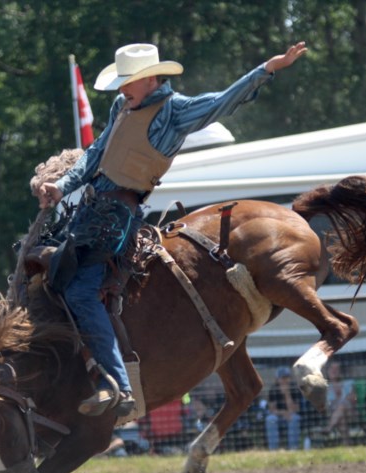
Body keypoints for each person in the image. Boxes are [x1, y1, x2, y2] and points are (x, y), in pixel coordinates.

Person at [38, 41, 308, 418]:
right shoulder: (121, 108)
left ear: (150, 80)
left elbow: (221, 102)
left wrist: (267, 69)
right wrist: (61, 186)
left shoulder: (174, 112)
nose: (120, 89)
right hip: (89, 212)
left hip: (117, 218)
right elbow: (95, 155)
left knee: (82, 292)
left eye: (127, 81)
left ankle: (115, 383)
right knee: (45, 273)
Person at [265, 367, 303, 450]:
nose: (285, 380)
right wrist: (283, 413)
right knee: (270, 419)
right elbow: (272, 410)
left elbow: (295, 409)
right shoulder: (273, 389)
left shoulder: (295, 389)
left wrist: (287, 394)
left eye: (287, 378)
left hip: (291, 415)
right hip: (278, 416)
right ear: (278, 379)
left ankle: (293, 449)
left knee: (295, 418)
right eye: (283, 378)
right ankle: (273, 450)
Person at [324, 361, 357, 446]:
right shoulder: (326, 387)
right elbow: (325, 404)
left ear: (341, 372)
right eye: (332, 369)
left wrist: (340, 399)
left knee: (342, 406)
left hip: (350, 412)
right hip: (333, 414)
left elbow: (353, 398)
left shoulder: (349, 383)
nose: (334, 371)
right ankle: (347, 444)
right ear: (328, 371)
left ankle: (329, 428)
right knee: (342, 417)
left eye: (337, 369)